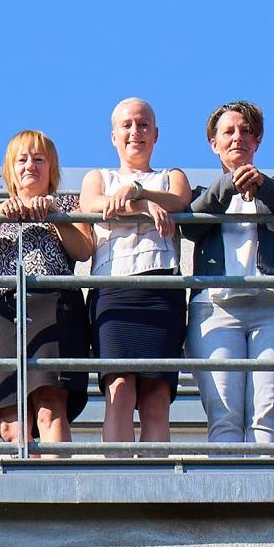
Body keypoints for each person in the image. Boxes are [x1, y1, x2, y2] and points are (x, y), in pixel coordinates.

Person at [181, 101, 274, 445]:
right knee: (223, 419)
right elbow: (190, 225)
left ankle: (264, 481)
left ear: (258, 140)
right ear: (214, 143)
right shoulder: (202, 194)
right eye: (229, 131)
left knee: (266, 420)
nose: (238, 137)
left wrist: (263, 186)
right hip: (215, 311)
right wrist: (228, 185)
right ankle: (226, 482)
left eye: (247, 131)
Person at [77, 98, 190, 446]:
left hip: (161, 289)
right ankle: (119, 472)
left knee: (157, 395)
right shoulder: (98, 177)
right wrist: (142, 205)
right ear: (113, 136)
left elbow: (180, 200)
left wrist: (136, 192)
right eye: (126, 125)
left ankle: (154, 475)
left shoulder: (171, 176)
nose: (135, 132)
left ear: (156, 134)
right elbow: (92, 204)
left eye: (143, 124)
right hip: (113, 289)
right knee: (119, 388)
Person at [0, 130, 93, 449]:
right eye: (21, 159)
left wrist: (55, 216)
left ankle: (55, 479)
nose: (30, 166)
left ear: (52, 168)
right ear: (10, 170)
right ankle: (27, 476)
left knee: (49, 407)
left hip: (54, 304)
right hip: (7, 311)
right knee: (10, 422)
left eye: (39, 159)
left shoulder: (68, 205)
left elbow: (83, 250)